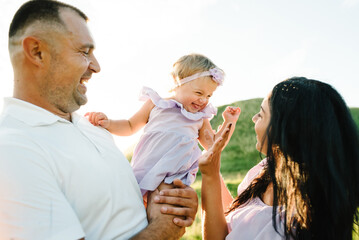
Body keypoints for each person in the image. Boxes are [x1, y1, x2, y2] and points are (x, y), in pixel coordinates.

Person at [0, 0, 199, 239]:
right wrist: (164, 230)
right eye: (84, 52)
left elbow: (120, 215)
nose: (97, 66)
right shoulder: (12, 149)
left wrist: (171, 205)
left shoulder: (94, 127)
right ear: (37, 52)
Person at [189, 77, 359, 239]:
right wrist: (213, 162)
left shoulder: (302, 220)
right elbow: (233, 223)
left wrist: (211, 175)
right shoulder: (264, 171)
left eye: (261, 115)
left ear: (285, 130)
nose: (254, 118)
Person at [86, 53, 241, 200]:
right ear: (177, 82)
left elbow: (213, 145)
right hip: (146, 170)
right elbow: (130, 125)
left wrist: (229, 122)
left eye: (209, 96)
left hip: (174, 178)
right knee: (134, 209)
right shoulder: (156, 104)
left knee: (162, 211)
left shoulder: (200, 118)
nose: (203, 100)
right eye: (199, 93)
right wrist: (109, 123)